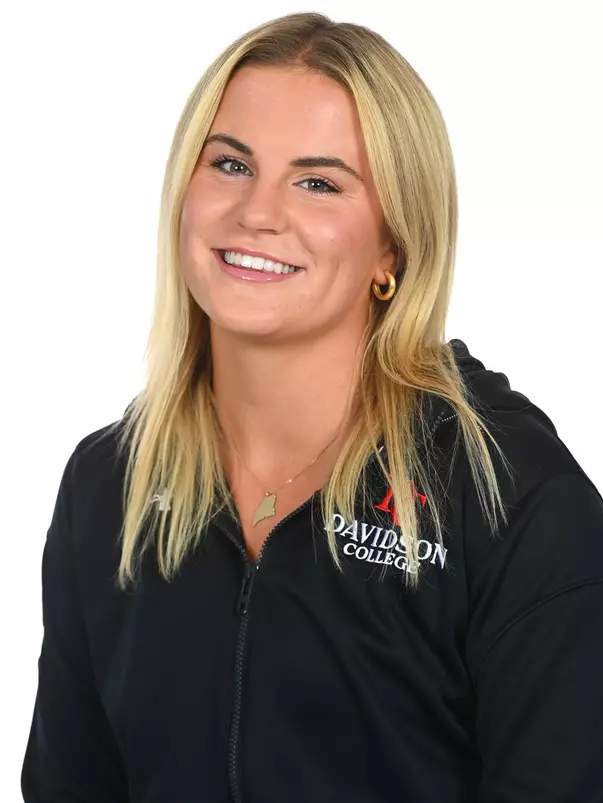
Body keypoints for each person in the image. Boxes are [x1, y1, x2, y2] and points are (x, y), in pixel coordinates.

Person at [21, 11, 603, 803]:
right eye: (229, 164)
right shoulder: (108, 484)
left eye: (318, 181)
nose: (257, 212)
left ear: (393, 246)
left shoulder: (507, 495)